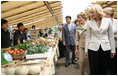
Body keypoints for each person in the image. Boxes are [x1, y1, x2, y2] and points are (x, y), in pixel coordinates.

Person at [84, 4, 115, 75]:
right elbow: (88, 37)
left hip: (106, 48)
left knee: (104, 69)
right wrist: (86, 50)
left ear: (98, 11)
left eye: (92, 12)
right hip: (92, 49)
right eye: (90, 12)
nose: (91, 14)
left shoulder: (108, 21)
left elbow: (111, 36)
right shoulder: (89, 23)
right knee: (94, 70)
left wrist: (113, 50)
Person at [103, 7, 117, 75]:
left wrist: (114, 36)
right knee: (106, 62)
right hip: (106, 45)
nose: (102, 14)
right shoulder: (102, 21)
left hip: (115, 44)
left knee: (114, 62)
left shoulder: (116, 22)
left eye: (104, 13)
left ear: (109, 14)